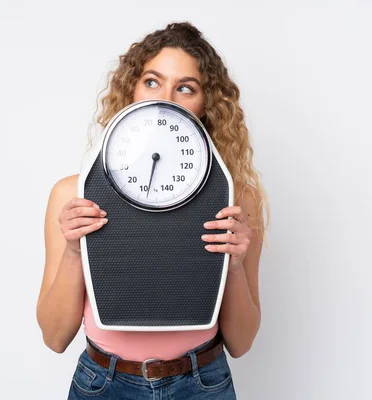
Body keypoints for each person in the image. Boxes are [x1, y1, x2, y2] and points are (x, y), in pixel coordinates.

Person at [37, 21, 270, 399]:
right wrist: (73, 251)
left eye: (185, 88)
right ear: (131, 90)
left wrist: (236, 265)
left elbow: (241, 343)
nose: (165, 99)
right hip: (103, 385)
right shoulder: (72, 194)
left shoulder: (237, 198)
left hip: (202, 384)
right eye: (151, 81)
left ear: (206, 103)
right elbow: (54, 336)